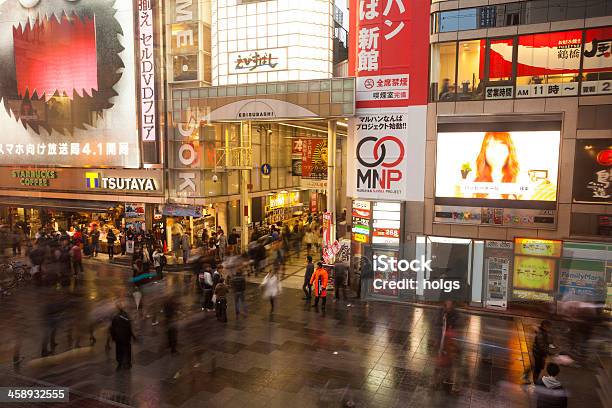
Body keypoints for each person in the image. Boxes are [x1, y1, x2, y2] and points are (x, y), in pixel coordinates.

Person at [473, 132, 520, 199]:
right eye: (490, 145)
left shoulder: (519, 180)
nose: (495, 150)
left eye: (501, 144)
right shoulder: (474, 182)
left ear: (509, 150)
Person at [109, 303, 136, 370]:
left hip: (119, 338)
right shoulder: (126, 316)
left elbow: (112, 328)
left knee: (119, 351)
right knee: (127, 350)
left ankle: (120, 363)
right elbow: (129, 327)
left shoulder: (115, 317)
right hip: (126, 337)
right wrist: (132, 336)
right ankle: (128, 363)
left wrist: (113, 337)